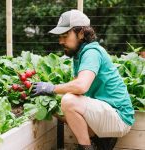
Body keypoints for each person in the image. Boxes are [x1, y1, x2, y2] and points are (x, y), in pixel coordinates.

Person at [31, 10, 135, 150]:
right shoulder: (79, 55)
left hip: (119, 117)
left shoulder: (91, 52)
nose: (61, 41)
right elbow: (76, 91)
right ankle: (101, 141)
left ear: (81, 33)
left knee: (68, 101)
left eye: (65, 35)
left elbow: (81, 86)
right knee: (60, 107)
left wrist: (51, 88)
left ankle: (86, 147)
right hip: (107, 113)